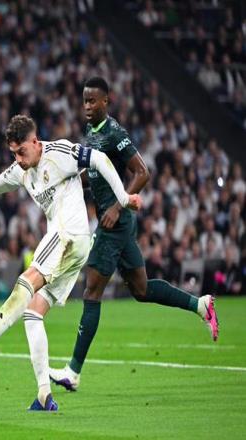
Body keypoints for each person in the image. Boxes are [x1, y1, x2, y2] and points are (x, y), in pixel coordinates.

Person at [0, 114, 142, 411]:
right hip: (72, 245)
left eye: (22, 152)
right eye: (13, 154)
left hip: (68, 235)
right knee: (32, 312)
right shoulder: (22, 170)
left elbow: (100, 159)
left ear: (35, 141)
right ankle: (44, 395)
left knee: (27, 279)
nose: (18, 159)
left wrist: (123, 198)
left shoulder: (59, 152)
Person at [49, 77, 219, 392]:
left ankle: (73, 371)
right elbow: (96, 172)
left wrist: (118, 206)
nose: (87, 106)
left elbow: (142, 172)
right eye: (85, 101)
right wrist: (69, 181)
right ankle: (200, 305)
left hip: (115, 223)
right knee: (140, 289)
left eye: (93, 101)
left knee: (91, 292)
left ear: (106, 101)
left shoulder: (115, 133)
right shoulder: (92, 131)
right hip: (118, 223)